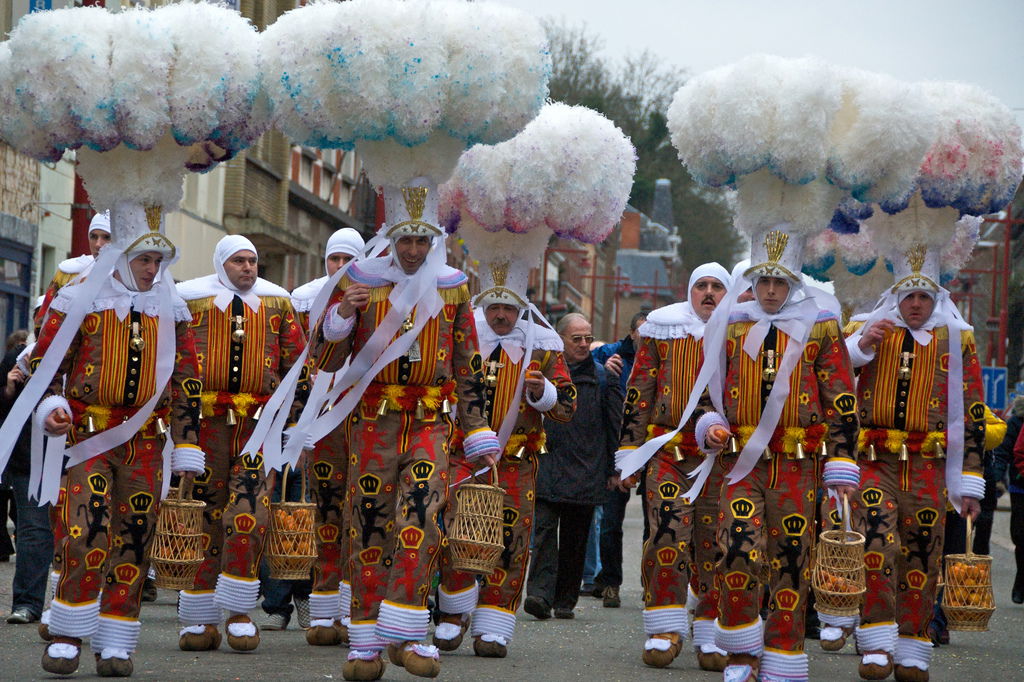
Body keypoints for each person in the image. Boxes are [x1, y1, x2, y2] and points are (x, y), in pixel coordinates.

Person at [308, 185, 499, 681]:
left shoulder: (454, 286)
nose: (413, 250)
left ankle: (411, 630)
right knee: (368, 520)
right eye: (405, 240)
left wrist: (477, 430)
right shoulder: (359, 280)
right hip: (371, 420)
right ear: (391, 239)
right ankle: (367, 639)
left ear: (433, 241)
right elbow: (324, 362)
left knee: (422, 515)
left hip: (430, 421)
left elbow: (469, 364)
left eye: (421, 241)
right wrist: (343, 315)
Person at [32, 223, 203, 676]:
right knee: (85, 529)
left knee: (136, 536)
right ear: (123, 259)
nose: (151, 270)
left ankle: (116, 637)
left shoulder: (173, 309)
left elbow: (187, 381)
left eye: (157, 261)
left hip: (146, 442)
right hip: (87, 437)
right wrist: (51, 407)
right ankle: (68, 629)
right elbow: (45, 362)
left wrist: (186, 443)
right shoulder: (79, 299)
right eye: (143, 259)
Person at [699, 228, 860, 682]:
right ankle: (741, 652)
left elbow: (841, 397)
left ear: (794, 283)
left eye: (779, 282)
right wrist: (709, 425)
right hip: (739, 463)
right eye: (762, 281)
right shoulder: (729, 322)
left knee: (791, 557)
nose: (770, 291)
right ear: (751, 281)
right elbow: (706, 393)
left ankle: (784, 654)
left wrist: (842, 461)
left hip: (797, 464)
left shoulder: (821, 325)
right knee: (736, 549)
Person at [843, 243, 985, 682]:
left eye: (925, 296)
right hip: (874, 460)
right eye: (909, 296)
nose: (917, 304)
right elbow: (833, 384)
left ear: (937, 299)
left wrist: (971, 480)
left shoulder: (958, 339)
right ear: (896, 297)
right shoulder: (866, 328)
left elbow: (973, 410)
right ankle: (876, 641)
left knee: (922, 553)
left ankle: (912, 645)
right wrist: (860, 347)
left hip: (929, 465)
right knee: (876, 544)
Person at [434, 253, 575, 659]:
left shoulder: (543, 345)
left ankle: (494, 618)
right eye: (493, 307)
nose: (500, 316)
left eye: (508, 308)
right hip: (463, 455)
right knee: (456, 530)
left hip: (517, 460)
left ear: (521, 307)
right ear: (482, 306)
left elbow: (567, 406)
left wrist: (541, 391)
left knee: (511, 537)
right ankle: (455, 609)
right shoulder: (464, 335)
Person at [175, 235, 308, 653]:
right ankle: (197, 614)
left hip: (258, 427)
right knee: (201, 515)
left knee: (248, 514)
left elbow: (298, 365)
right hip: (206, 424)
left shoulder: (277, 303)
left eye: (252, 261)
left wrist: (296, 422)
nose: (248, 268)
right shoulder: (190, 301)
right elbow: (171, 363)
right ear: (221, 264)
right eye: (238, 261)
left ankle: (236, 610)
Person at [615, 263, 730, 670]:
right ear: (690, 291)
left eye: (718, 286)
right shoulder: (661, 329)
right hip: (668, 452)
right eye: (702, 286)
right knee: (667, 534)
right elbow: (639, 391)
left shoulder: (740, 332)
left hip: (722, 457)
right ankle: (664, 627)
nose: (710, 293)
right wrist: (629, 452)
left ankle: (712, 629)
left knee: (715, 543)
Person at [263, 227, 365, 641]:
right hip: (309, 415)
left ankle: (335, 602)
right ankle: (278, 601)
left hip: (357, 414)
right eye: (333, 259)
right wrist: (294, 421)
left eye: (348, 260)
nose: (339, 268)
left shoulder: (378, 296)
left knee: (353, 508)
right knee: (296, 504)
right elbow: (294, 361)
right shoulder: (303, 298)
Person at [525, 312, 623, 621]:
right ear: (560, 339)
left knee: (575, 538)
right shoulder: (542, 373)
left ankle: (564, 600)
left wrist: (613, 469)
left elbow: (613, 426)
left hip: (586, 467)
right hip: (548, 463)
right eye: (576, 338)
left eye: (588, 338)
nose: (583, 344)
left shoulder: (603, 378)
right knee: (541, 531)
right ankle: (539, 595)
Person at [590, 311, 647, 608]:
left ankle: (651, 584)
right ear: (631, 333)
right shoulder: (612, 353)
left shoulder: (664, 356)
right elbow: (577, 363)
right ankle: (610, 582)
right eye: (641, 331)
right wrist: (600, 365)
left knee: (657, 518)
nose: (646, 336)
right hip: (618, 444)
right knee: (612, 520)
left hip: (652, 445)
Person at [3, 331, 54, 626]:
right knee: (34, 531)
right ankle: (27, 603)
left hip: (84, 451)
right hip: (30, 457)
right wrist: (8, 390)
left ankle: (82, 607)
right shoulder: (21, 356)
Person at [34, 212, 111, 334]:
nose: (98, 244)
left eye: (106, 237)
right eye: (93, 236)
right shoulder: (69, 273)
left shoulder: (137, 278)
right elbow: (42, 322)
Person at [996, 396, 1024, 603]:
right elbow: (1011, 451)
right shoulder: (1016, 421)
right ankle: (1020, 580)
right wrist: (998, 478)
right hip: (1020, 486)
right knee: (1020, 536)